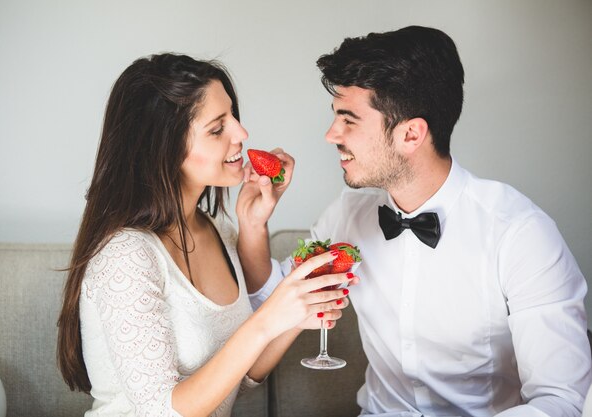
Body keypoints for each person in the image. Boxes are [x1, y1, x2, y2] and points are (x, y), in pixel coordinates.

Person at [241, 26, 591, 416]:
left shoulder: (520, 233)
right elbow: (271, 307)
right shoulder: (346, 215)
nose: (330, 135)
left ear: (411, 134)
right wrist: (255, 225)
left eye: (348, 120)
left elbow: (561, 401)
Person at [56, 53, 356, 417]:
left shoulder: (217, 231)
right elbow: (161, 412)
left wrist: (295, 316)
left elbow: (239, 381)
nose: (242, 134)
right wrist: (267, 319)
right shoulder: (126, 254)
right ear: (163, 149)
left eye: (233, 116)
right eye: (217, 129)